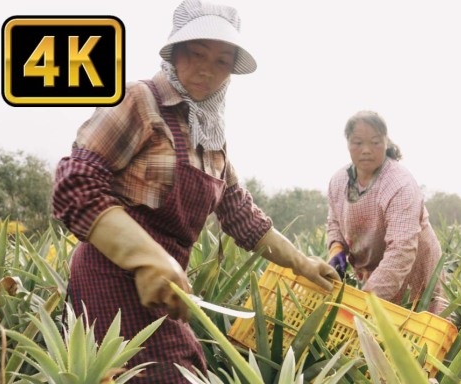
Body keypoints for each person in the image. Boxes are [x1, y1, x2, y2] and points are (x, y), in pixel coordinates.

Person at [51, 1, 339, 382]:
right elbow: (74, 181)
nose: (207, 69)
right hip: (111, 280)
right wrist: (147, 258)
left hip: (165, 289)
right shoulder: (139, 99)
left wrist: (301, 262)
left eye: (222, 61)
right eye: (197, 53)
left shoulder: (211, 136)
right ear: (174, 52)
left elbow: (242, 215)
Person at [326, 110, 448, 315]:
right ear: (348, 144)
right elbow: (335, 222)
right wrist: (336, 248)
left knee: (417, 328)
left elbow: (401, 250)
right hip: (372, 270)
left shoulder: (399, 183)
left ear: (386, 142)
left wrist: (365, 303)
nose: (366, 150)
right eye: (357, 142)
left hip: (414, 272)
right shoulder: (339, 181)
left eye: (375, 142)